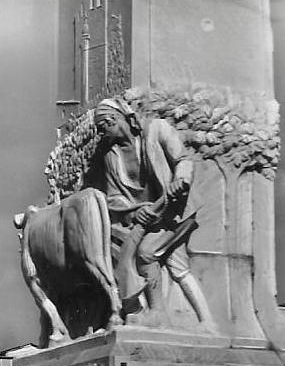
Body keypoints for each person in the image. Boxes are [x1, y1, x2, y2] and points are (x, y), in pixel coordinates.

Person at [85, 97, 212, 327]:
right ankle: (208, 322)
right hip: (148, 219)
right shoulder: (111, 156)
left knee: (146, 254)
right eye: (100, 127)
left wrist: (180, 180)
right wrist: (135, 212)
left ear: (116, 118)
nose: (102, 131)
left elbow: (183, 160)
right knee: (178, 267)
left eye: (104, 124)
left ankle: (157, 314)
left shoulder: (157, 129)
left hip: (176, 210)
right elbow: (114, 198)